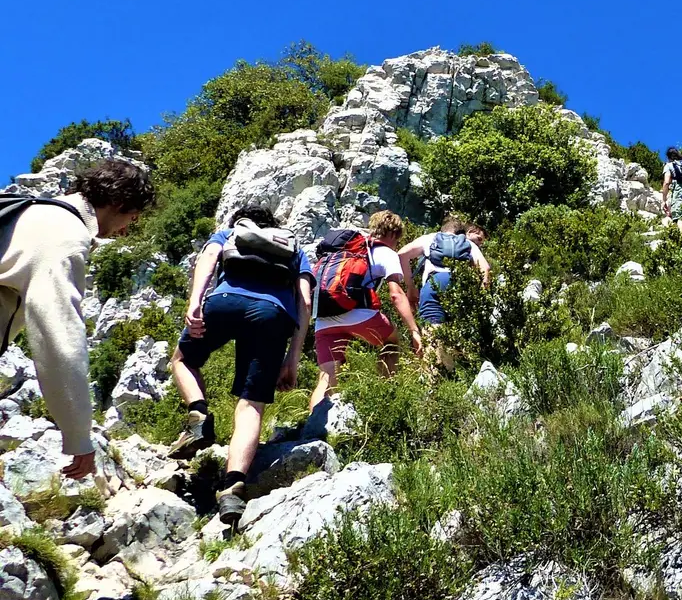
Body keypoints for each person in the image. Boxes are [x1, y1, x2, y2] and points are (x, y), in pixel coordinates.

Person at [0, 160, 154, 480]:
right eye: (132, 218)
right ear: (117, 202)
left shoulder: (29, 212)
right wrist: (78, 435)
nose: (126, 230)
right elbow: (59, 338)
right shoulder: (65, 233)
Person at [168, 205, 314, 528]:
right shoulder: (295, 250)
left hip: (224, 303)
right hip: (273, 315)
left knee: (182, 360)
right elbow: (304, 300)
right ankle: (232, 489)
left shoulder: (228, 234)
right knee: (251, 405)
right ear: (275, 228)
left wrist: (195, 303)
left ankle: (199, 415)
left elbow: (206, 261)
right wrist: (293, 356)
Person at [307, 210, 423, 412]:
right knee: (392, 342)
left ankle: (312, 429)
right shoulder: (386, 252)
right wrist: (413, 330)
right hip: (359, 313)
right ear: (393, 235)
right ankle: (385, 398)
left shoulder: (343, 251)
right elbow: (396, 295)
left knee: (326, 378)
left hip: (323, 318)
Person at [398, 218, 489, 372]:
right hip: (459, 287)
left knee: (433, 334)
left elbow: (402, 254)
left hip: (434, 284)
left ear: (443, 230)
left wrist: (411, 286)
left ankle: (432, 380)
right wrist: (480, 298)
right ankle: (454, 374)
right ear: (461, 233)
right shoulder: (469, 244)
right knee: (455, 333)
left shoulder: (431, 237)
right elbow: (485, 268)